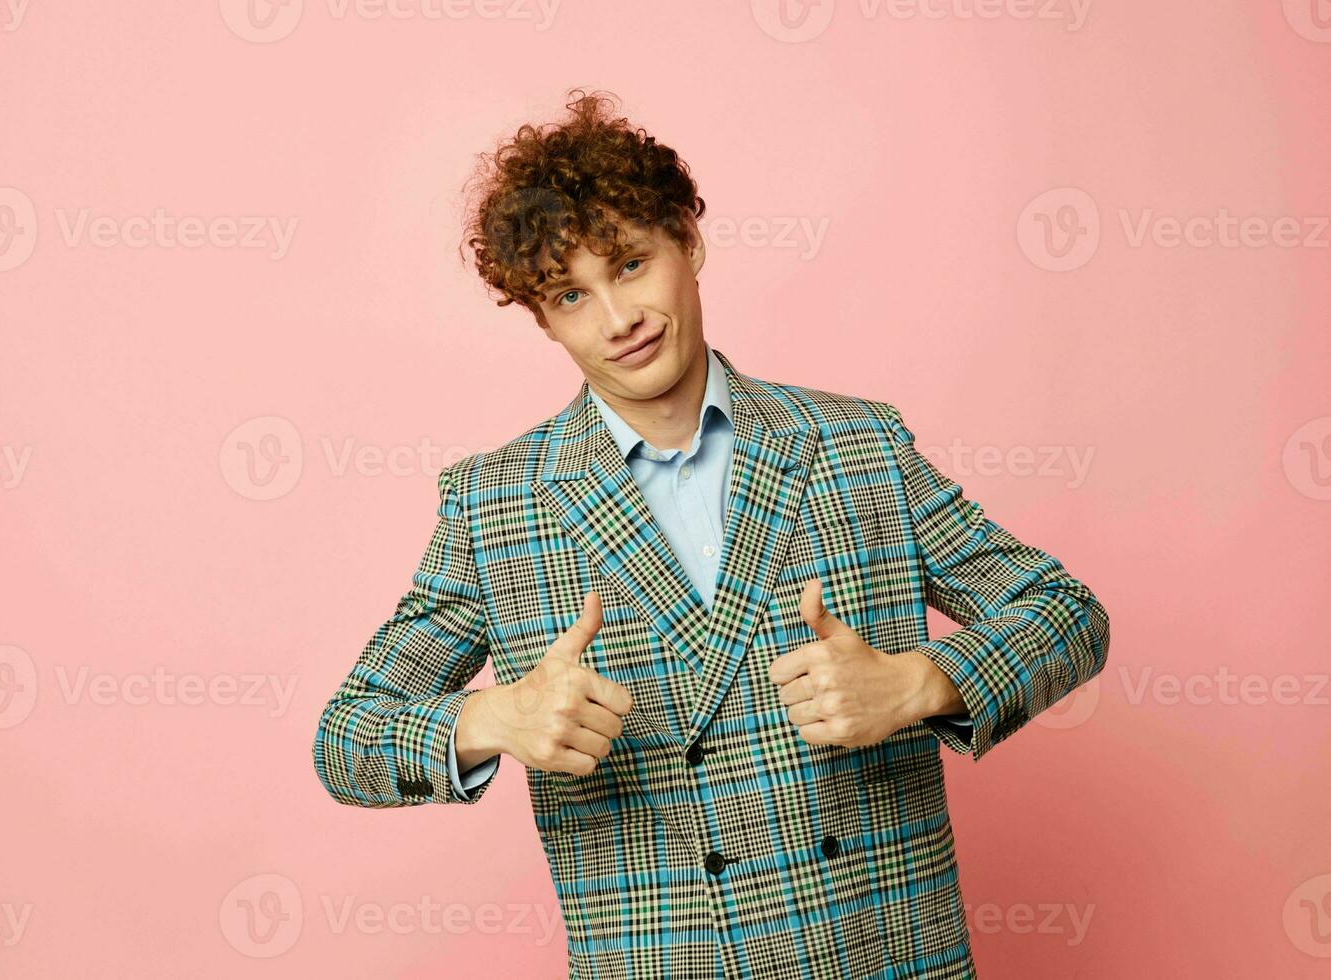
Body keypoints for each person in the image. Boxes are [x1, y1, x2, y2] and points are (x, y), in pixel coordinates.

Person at [313, 89, 1110, 980]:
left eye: (629, 265)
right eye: (571, 295)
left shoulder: (855, 447)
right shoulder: (496, 504)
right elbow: (347, 739)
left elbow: (1066, 611)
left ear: (688, 244)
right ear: (543, 318)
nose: (617, 320)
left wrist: (921, 681)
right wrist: (491, 717)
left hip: (882, 956)